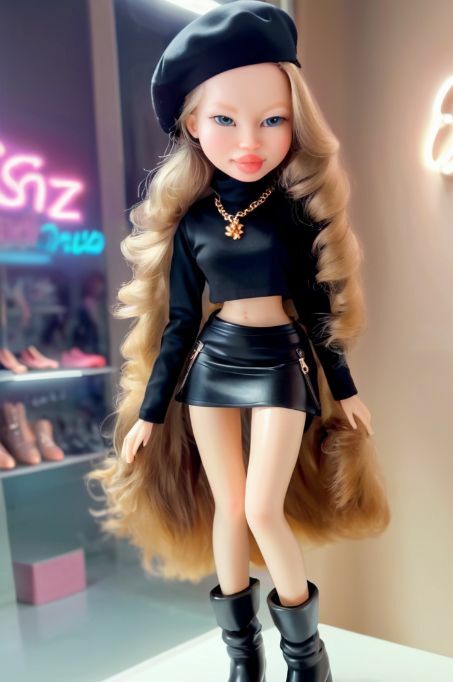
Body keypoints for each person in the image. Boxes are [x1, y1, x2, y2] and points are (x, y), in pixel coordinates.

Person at [86, 3, 390, 680]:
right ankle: (243, 656)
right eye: (225, 120)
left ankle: (306, 659)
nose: (249, 140)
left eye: (272, 120)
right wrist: (150, 413)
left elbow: (317, 312)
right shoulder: (193, 223)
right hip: (213, 361)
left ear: (295, 124)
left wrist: (345, 390)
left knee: (261, 507)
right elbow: (179, 323)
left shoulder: (294, 217)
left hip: (280, 358)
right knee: (228, 507)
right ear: (193, 124)